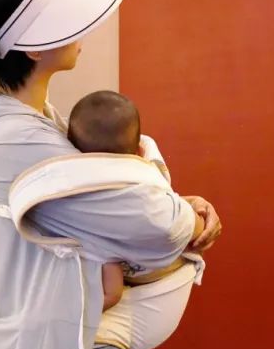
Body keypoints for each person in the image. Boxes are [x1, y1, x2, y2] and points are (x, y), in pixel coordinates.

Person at [0, 0, 222, 349]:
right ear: (34, 48)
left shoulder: (35, 122)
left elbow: (120, 207)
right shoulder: (16, 138)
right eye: (65, 20)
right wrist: (190, 217)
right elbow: (158, 224)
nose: (81, 32)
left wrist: (179, 205)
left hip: (63, 336)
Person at [66, 90, 205, 334]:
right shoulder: (150, 169)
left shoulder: (91, 201)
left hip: (154, 276)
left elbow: (112, 294)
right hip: (173, 267)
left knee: (108, 281)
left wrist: (70, 316)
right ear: (138, 152)